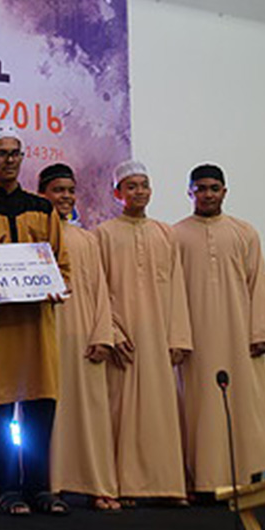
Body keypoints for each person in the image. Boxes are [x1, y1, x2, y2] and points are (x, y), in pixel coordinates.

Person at [0, 121, 70, 516]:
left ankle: (40, 487)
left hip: (37, 323)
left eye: (15, 153)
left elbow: (62, 264)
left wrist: (57, 285)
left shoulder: (42, 209)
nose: (9, 160)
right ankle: (7, 487)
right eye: (1, 154)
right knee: (1, 406)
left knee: (40, 405)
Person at [174, 164, 265, 494]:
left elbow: (258, 283)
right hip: (196, 338)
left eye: (214, 188)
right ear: (189, 192)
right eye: (200, 188)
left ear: (224, 192)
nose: (207, 195)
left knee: (246, 404)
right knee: (200, 407)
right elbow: (171, 291)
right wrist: (177, 336)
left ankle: (251, 478)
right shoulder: (175, 236)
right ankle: (204, 480)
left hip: (240, 336)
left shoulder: (245, 232)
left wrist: (261, 331)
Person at [94, 160, 192, 505]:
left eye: (144, 185)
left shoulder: (166, 233)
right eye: (131, 186)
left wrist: (179, 337)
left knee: (162, 411)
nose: (139, 192)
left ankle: (168, 486)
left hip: (158, 337)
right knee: (121, 412)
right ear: (117, 193)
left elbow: (177, 286)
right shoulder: (103, 234)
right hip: (124, 338)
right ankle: (126, 487)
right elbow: (97, 289)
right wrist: (110, 332)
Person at [38, 164, 121, 512]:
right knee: (50, 415)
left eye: (70, 190)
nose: (66, 196)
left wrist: (103, 335)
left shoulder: (87, 239)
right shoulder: (34, 238)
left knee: (92, 415)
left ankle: (97, 486)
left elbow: (101, 290)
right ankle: (50, 486)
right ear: (43, 195)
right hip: (47, 336)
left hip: (85, 336)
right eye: (58, 190)